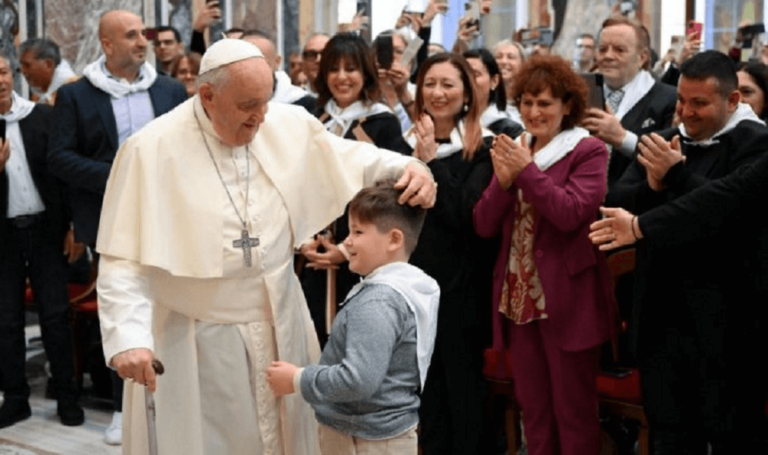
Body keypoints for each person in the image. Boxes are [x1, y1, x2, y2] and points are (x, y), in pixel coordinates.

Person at [95, 39, 436, 455]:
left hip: (281, 320)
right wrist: (128, 337)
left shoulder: (285, 124)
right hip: (198, 337)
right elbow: (121, 257)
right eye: (247, 106)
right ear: (207, 95)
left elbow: (352, 158)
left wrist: (409, 166)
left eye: (266, 102)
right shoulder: (150, 149)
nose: (260, 118)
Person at [602, 50, 768, 454]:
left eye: (699, 103)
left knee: (733, 438)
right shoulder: (666, 136)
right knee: (670, 438)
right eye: (681, 101)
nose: (686, 113)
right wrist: (653, 188)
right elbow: (618, 197)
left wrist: (675, 178)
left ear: (732, 102)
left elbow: (724, 213)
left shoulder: (755, 144)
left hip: (728, 328)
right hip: (661, 319)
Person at [47, 9, 187, 445]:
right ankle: (122, 407)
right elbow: (59, 158)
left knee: (171, 309)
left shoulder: (169, 90)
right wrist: (119, 174)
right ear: (106, 44)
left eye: (143, 34)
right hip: (113, 220)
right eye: (130, 36)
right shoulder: (77, 96)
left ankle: (176, 401)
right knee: (122, 311)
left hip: (171, 218)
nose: (142, 42)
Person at [473, 55, 614, 455]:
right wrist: (503, 183)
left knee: (574, 413)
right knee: (533, 411)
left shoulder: (588, 150)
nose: (534, 113)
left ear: (568, 106)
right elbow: (483, 224)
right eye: (527, 103)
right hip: (519, 298)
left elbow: (570, 214)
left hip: (568, 298)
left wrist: (526, 172)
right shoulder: (517, 148)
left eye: (545, 103)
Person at [267, 180, 439, 455]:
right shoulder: (409, 285)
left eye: (358, 232)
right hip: (384, 433)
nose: (347, 241)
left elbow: (358, 380)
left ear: (394, 239)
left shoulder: (378, 301)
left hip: (362, 440)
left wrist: (297, 379)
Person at [404, 52, 493, 455]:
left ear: (467, 94)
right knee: (427, 395)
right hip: (414, 286)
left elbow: (467, 215)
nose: (437, 93)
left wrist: (429, 163)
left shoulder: (484, 148)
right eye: (429, 84)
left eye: (448, 84)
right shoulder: (403, 144)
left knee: (464, 394)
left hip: (462, 287)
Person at [299, 32, 412, 346]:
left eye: (351, 68)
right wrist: (303, 240)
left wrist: (348, 249)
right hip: (313, 254)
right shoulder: (312, 120)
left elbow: (392, 199)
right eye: (333, 68)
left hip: (363, 258)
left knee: (357, 347)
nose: (341, 77)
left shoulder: (382, 124)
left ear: (365, 72)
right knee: (311, 346)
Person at [0, 53, 84, 430]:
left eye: (2, 72)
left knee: (55, 317)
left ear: (12, 75)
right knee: (6, 321)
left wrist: (75, 228)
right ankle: (16, 399)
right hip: (3, 240)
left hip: (48, 233)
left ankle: (67, 397)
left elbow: (67, 178)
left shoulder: (43, 117)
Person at [583, 16, 676, 188]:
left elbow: (670, 166)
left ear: (642, 57)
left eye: (619, 50)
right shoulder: (583, 95)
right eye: (602, 49)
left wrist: (622, 138)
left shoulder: (669, 99)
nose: (608, 56)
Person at [241, 30, 316, 112]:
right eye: (245, 63)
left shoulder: (303, 105)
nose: (252, 70)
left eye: (261, 64)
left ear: (277, 62)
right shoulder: (227, 101)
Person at [464, 48, 524, 138]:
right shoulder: (445, 124)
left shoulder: (509, 130)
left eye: (475, 74)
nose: (467, 80)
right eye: (462, 75)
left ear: (494, 81)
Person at [18, 38, 77, 105]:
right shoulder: (45, 90)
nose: (23, 71)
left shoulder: (68, 92)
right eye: (22, 66)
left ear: (48, 64)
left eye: (27, 65)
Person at [492, 39, 527, 123]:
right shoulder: (484, 99)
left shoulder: (529, 98)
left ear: (523, 64)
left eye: (511, 57)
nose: (503, 61)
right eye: (498, 57)